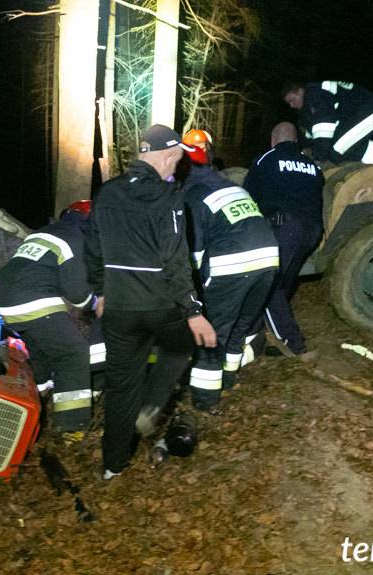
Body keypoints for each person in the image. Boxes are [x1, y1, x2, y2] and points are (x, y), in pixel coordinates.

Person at [85, 124, 217, 479]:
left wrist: (100, 292)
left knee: (121, 386)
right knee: (179, 348)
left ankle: (113, 466)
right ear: (165, 155)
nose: (177, 167)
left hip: (119, 310)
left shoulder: (107, 193)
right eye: (176, 159)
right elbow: (176, 260)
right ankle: (152, 408)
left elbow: (93, 247)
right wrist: (194, 312)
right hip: (159, 305)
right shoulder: (168, 197)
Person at [180, 128, 278, 411]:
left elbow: (194, 250)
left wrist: (192, 292)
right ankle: (228, 380)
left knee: (212, 333)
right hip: (269, 260)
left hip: (233, 266)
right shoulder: (231, 186)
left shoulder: (193, 194)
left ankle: (205, 401)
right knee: (239, 327)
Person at [0, 200, 96, 437]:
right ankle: (73, 428)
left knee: (42, 353)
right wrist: (95, 304)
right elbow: (78, 294)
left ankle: (38, 401)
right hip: (33, 299)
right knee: (74, 354)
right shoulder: (75, 239)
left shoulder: (43, 234)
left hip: (3, 299)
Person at [243, 122, 324, 356]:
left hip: (285, 227)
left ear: (272, 140)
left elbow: (249, 196)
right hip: (312, 231)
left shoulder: (265, 159)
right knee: (283, 282)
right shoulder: (312, 166)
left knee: (267, 284)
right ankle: (262, 332)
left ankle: (292, 342)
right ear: (295, 141)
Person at [283, 80, 373, 167]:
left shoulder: (314, 93)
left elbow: (324, 127)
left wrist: (318, 159)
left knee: (337, 147)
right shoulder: (307, 115)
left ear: (300, 91)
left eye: (292, 100)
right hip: (368, 118)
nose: (292, 106)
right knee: (335, 151)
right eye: (289, 104)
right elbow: (311, 139)